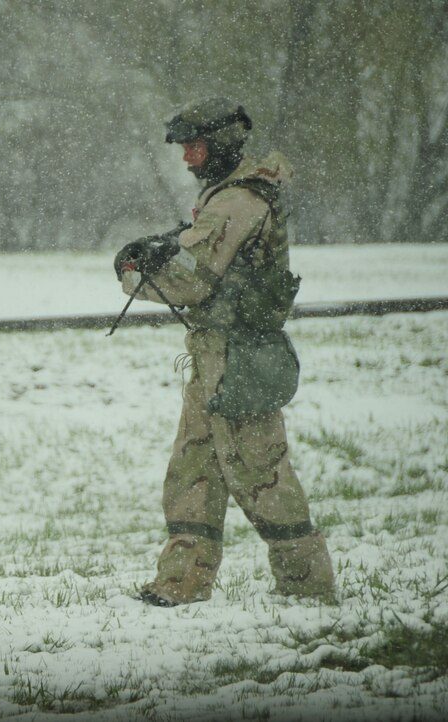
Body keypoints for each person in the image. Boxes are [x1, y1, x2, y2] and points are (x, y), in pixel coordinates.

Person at [113, 98, 336, 607]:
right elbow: (201, 253)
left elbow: (191, 280)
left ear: (223, 145)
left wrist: (132, 275)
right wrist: (167, 243)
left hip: (238, 359)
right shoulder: (227, 195)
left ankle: (309, 590)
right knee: (193, 469)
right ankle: (180, 584)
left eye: (196, 147)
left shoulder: (238, 200)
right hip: (214, 355)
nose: (188, 158)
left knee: (262, 475)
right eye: (185, 148)